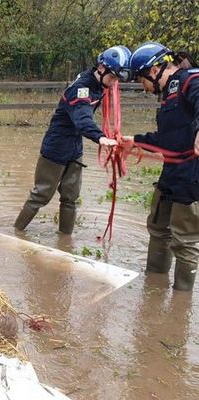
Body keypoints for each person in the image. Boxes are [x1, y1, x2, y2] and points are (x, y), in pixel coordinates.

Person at [14, 46, 129, 234]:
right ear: (101, 68)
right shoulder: (81, 89)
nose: (114, 82)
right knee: (41, 195)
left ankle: (65, 241)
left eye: (117, 78)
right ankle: (16, 233)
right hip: (56, 147)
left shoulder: (99, 85)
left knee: (71, 197)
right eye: (113, 77)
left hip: (75, 149)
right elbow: (82, 119)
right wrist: (100, 137)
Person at [121, 42, 199, 291]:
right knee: (158, 226)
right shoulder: (169, 96)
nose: (144, 89)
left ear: (153, 71)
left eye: (141, 80)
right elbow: (167, 139)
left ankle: (181, 301)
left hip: (192, 174)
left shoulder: (190, 81)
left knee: (185, 239)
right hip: (171, 171)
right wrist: (136, 141)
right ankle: (154, 285)